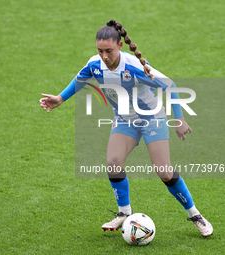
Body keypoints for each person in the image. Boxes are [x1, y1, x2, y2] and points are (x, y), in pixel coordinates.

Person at [39, 19, 213, 238]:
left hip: (151, 118)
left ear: (120, 46)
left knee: (164, 172)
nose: (104, 56)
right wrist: (60, 98)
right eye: (100, 50)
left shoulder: (134, 67)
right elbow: (80, 79)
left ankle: (195, 214)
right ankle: (124, 212)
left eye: (109, 51)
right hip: (124, 119)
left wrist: (179, 119)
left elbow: (169, 84)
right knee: (113, 162)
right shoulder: (95, 64)